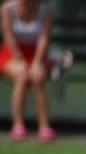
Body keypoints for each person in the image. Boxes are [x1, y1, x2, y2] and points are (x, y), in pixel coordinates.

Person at [1, 0, 55, 142]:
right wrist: (19, 59)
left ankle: (44, 127)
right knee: (22, 76)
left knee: (38, 76)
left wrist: (37, 62)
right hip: (12, 52)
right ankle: (18, 125)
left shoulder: (45, 10)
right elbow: (8, 35)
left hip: (36, 53)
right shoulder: (7, 8)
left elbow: (44, 38)